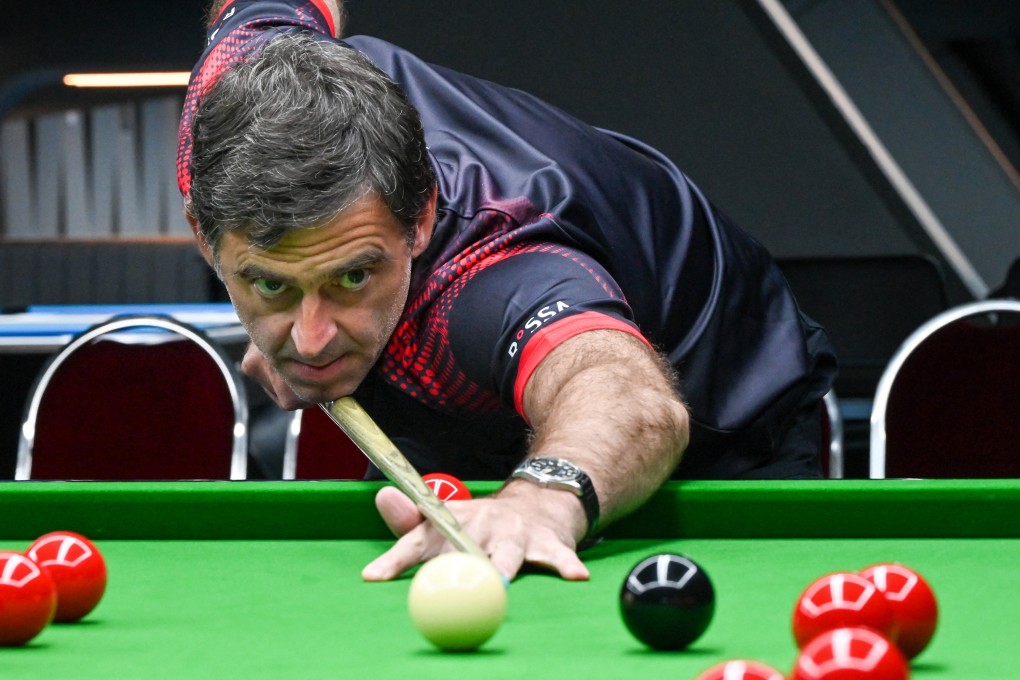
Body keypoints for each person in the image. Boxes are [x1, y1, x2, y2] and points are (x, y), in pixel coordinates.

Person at [178, 0, 836, 582]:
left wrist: (542, 499)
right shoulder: (235, 80)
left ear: (420, 219)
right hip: (451, 388)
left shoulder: (490, 271)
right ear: (203, 235)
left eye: (351, 276)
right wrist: (284, 317)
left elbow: (626, 394)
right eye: (271, 281)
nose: (312, 336)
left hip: (717, 402)